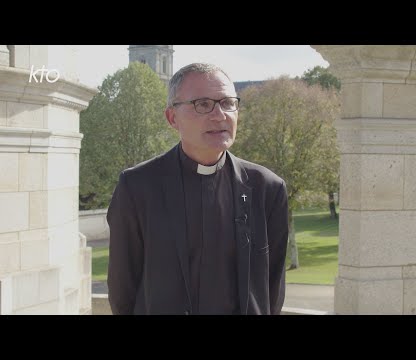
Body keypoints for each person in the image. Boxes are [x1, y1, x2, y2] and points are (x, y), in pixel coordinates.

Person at [107, 63, 289, 315]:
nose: (220, 115)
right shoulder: (137, 187)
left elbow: (273, 289)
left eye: (228, 103)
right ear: (172, 118)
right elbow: (122, 290)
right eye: (203, 104)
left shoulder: (268, 189)